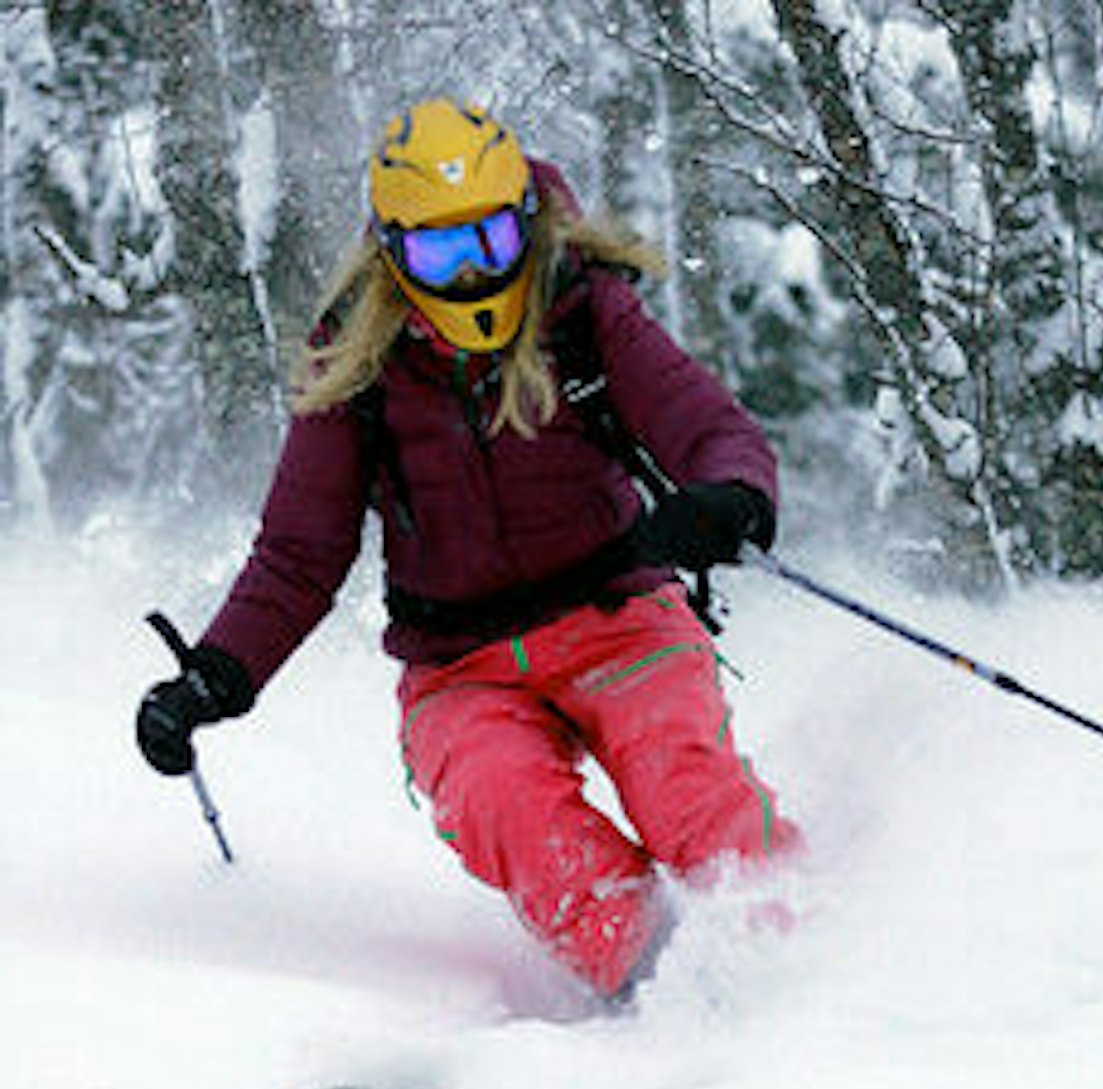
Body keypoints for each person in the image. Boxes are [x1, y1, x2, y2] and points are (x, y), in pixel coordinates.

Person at [135, 97, 800, 1001]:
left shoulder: (581, 310)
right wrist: (217, 672)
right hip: (463, 669)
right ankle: (657, 986)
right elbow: (300, 551)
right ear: (391, 252)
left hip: (620, 623)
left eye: (490, 243)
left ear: (527, 223)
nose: (472, 276)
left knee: (683, 782)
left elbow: (702, 420)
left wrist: (729, 496)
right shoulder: (358, 365)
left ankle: (792, 961)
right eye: (440, 254)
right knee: (506, 804)